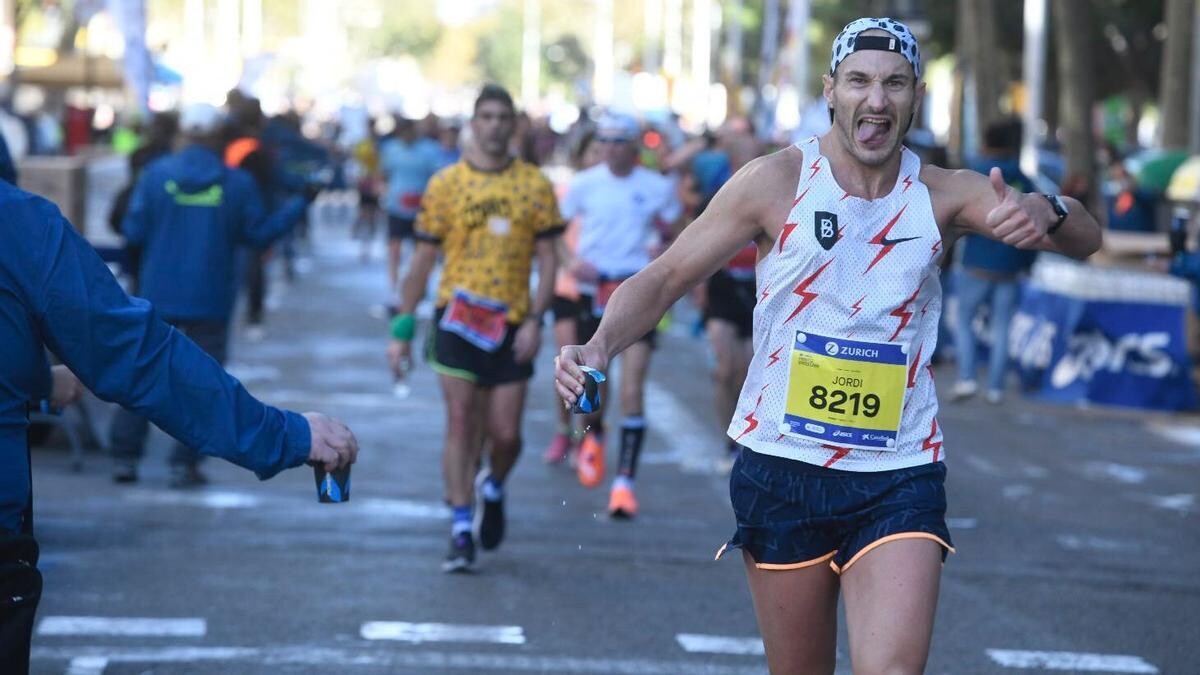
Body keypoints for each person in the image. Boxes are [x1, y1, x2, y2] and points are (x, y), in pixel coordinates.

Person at [555, 17, 1101, 673]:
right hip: (782, 465)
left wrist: (1050, 211)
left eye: (895, 83)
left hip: (898, 468)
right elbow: (669, 274)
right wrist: (600, 345)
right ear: (831, 91)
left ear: (916, 96)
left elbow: (1086, 238)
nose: (877, 100)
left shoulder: (942, 195)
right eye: (859, 81)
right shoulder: (776, 181)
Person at [0, 178, 358, 672]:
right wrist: (283, 434)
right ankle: (174, 464)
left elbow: (130, 228)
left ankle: (127, 457)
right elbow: (136, 356)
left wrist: (35, 384)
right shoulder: (18, 223)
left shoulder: (143, 183)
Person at [388, 84, 560, 573]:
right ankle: (461, 526)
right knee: (461, 422)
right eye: (486, 116)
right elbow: (422, 260)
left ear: (514, 124)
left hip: (511, 322)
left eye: (503, 117)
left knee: (506, 435)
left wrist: (536, 320)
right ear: (473, 123)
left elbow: (549, 260)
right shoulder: (446, 184)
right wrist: (402, 329)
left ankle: (494, 485)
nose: (494, 125)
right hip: (457, 320)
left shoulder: (534, 184)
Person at [109, 103, 313, 487]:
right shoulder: (236, 184)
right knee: (202, 385)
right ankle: (183, 463)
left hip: (157, 295)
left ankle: (125, 458)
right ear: (219, 137)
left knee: (142, 373)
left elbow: (133, 231)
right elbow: (258, 235)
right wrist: (300, 203)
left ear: (183, 133)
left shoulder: (156, 175)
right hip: (210, 298)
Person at [558, 113, 683, 519]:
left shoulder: (657, 186)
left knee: (632, 390)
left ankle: (624, 483)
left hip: (637, 294)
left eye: (618, 141)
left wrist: (665, 249)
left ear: (634, 146)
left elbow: (680, 229)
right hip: (594, 290)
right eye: (604, 141)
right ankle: (593, 437)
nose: (610, 149)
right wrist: (571, 263)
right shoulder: (584, 183)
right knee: (596, 391)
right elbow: (554, 231)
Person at [952, 118, 1039, 404]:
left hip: (976, 262)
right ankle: (995, 388)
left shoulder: (975, 174)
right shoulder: (1023, 179)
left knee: (965, 320)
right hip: (1010, 266)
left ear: (986, 143)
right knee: (1002, 328)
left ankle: (967, 379)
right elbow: (1033, 223)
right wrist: (1027, 262)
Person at [543, 130, 604, 465]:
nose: (599, 157)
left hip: (603, 290)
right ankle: (563, 430)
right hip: (567, 288)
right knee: (565, 361)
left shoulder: (614, 194)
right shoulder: (567, 192)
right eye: (593, 151)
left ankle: (589, 434)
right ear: (581, 157)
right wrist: (569, 263)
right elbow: (551, 236)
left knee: (594, 368)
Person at [378, 116, 442, 294]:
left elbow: (437, 176)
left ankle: (419, 285)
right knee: (394, 247)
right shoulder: (391, 149)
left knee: (421, 251)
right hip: (396, 207)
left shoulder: (430, 149)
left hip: (422, 208)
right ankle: (394, 285)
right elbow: (384, 173)